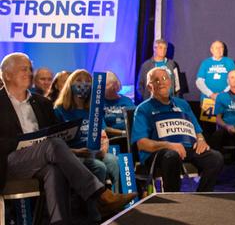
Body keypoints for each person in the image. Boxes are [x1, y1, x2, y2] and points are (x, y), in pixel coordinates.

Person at [0, 53, 135, 224]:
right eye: (23, 69)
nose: (29, 73)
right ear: (7, 74)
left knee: (55, 171)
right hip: (9, 162)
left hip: (43, 159)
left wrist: (74, 151)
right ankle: (100, 195)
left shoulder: (42, 103)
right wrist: (24, 143)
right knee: (52, 145)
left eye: (30, 69)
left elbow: (54, 140)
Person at [132, 67, 224, 192]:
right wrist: (169, 145)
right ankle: (173, 197)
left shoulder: (183, 104)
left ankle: (202, 196)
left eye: (165, 78)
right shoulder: (143, 109)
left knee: (215, 158)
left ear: (170, 82)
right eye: (156, 80)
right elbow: (142, 144)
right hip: (159, 153)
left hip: (186, 148)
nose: (161, 82)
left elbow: (197, 131)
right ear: (149, 87)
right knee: (172, 155)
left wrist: (201, 140)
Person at [54, 69, 120, 203]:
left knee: (113, 161)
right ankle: (94, 209)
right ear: (70, 84)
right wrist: (78, 152)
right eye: (79, 81)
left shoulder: (93, 110)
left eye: (88, 82)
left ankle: (115, 200)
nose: (83, 85)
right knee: (99, 167)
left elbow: (103, 134)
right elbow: (55, 144)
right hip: (72, 154)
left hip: (93, 151)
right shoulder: (59, 110)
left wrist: (103, 149)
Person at [104, 71, 135, 137]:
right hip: (111, 139)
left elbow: (135, 121)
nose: (114, 89)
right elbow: (103, 128)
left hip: (129, 137)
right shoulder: (99, 104)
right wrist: (124, 133)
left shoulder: (127, 101)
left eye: (114, 87)